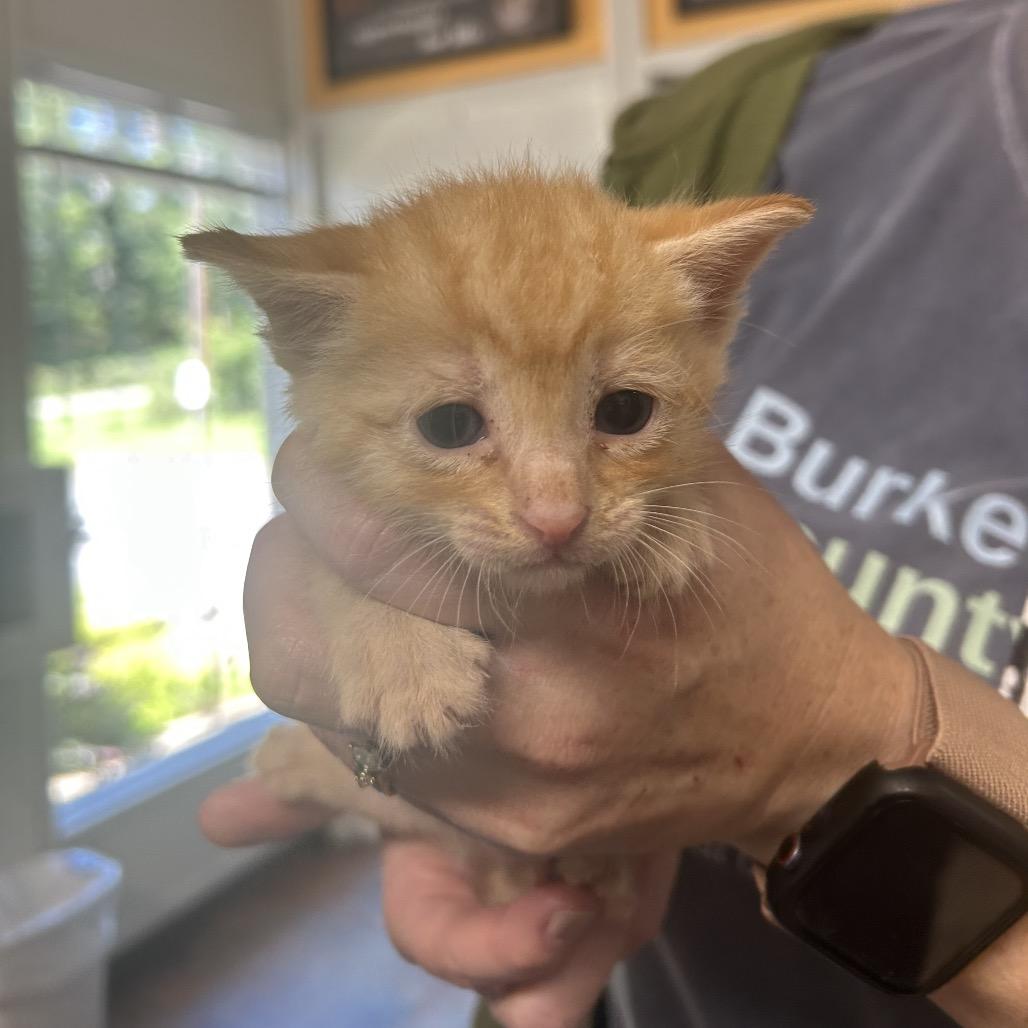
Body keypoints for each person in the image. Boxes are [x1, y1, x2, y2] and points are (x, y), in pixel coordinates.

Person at [200, 1, 1028, 1025]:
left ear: (716, 307)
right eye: (455, 420)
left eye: (622, 410)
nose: (556, 508)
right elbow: (345, 536)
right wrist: (380, 715)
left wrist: (821, 736)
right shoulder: (763, 103)